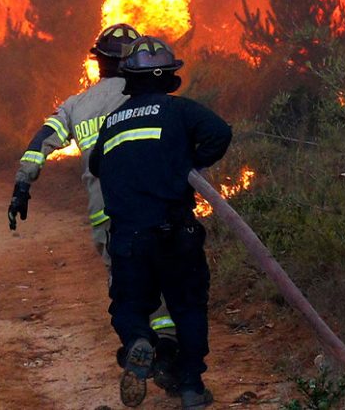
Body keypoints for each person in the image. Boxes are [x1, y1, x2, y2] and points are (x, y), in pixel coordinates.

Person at [7, 23, 180, 392]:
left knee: (126, 284)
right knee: (166, 280)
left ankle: (139, 342)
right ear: (135, 60)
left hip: (108, 216)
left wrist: (23, 183)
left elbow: (42, 141)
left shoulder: (77, 105)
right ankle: (168, 355)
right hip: (156, 206)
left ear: (98, 62)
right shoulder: (147, 96)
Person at [88, 36, 232, 409]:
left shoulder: (112, 122)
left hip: (128, 239)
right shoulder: (179, 110)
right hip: (174, 233)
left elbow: (95, 166)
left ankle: (139, 340)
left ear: (129, 80)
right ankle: (190, 388)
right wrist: (186, 165)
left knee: (129, 305)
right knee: (186, 306)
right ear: (169, 77)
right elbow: (220, 134)